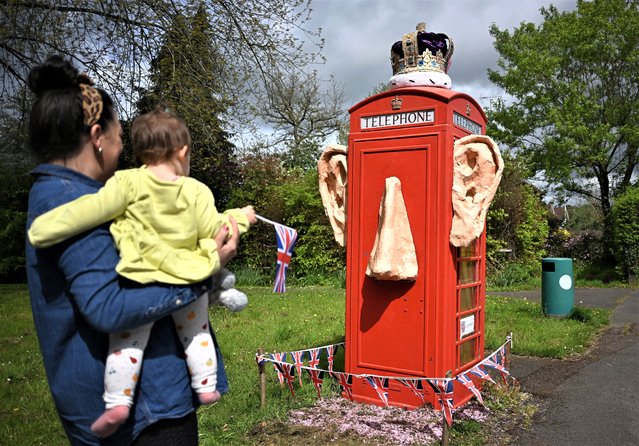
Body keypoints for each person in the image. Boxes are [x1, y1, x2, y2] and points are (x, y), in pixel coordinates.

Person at [25, 54, 239, 445]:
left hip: (136, 404)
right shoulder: (68, 200)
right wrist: (206, 270)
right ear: (96, 138)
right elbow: (109, 308)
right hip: (146, 414)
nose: (124, 146)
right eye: (120, 135)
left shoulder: (76, 196)